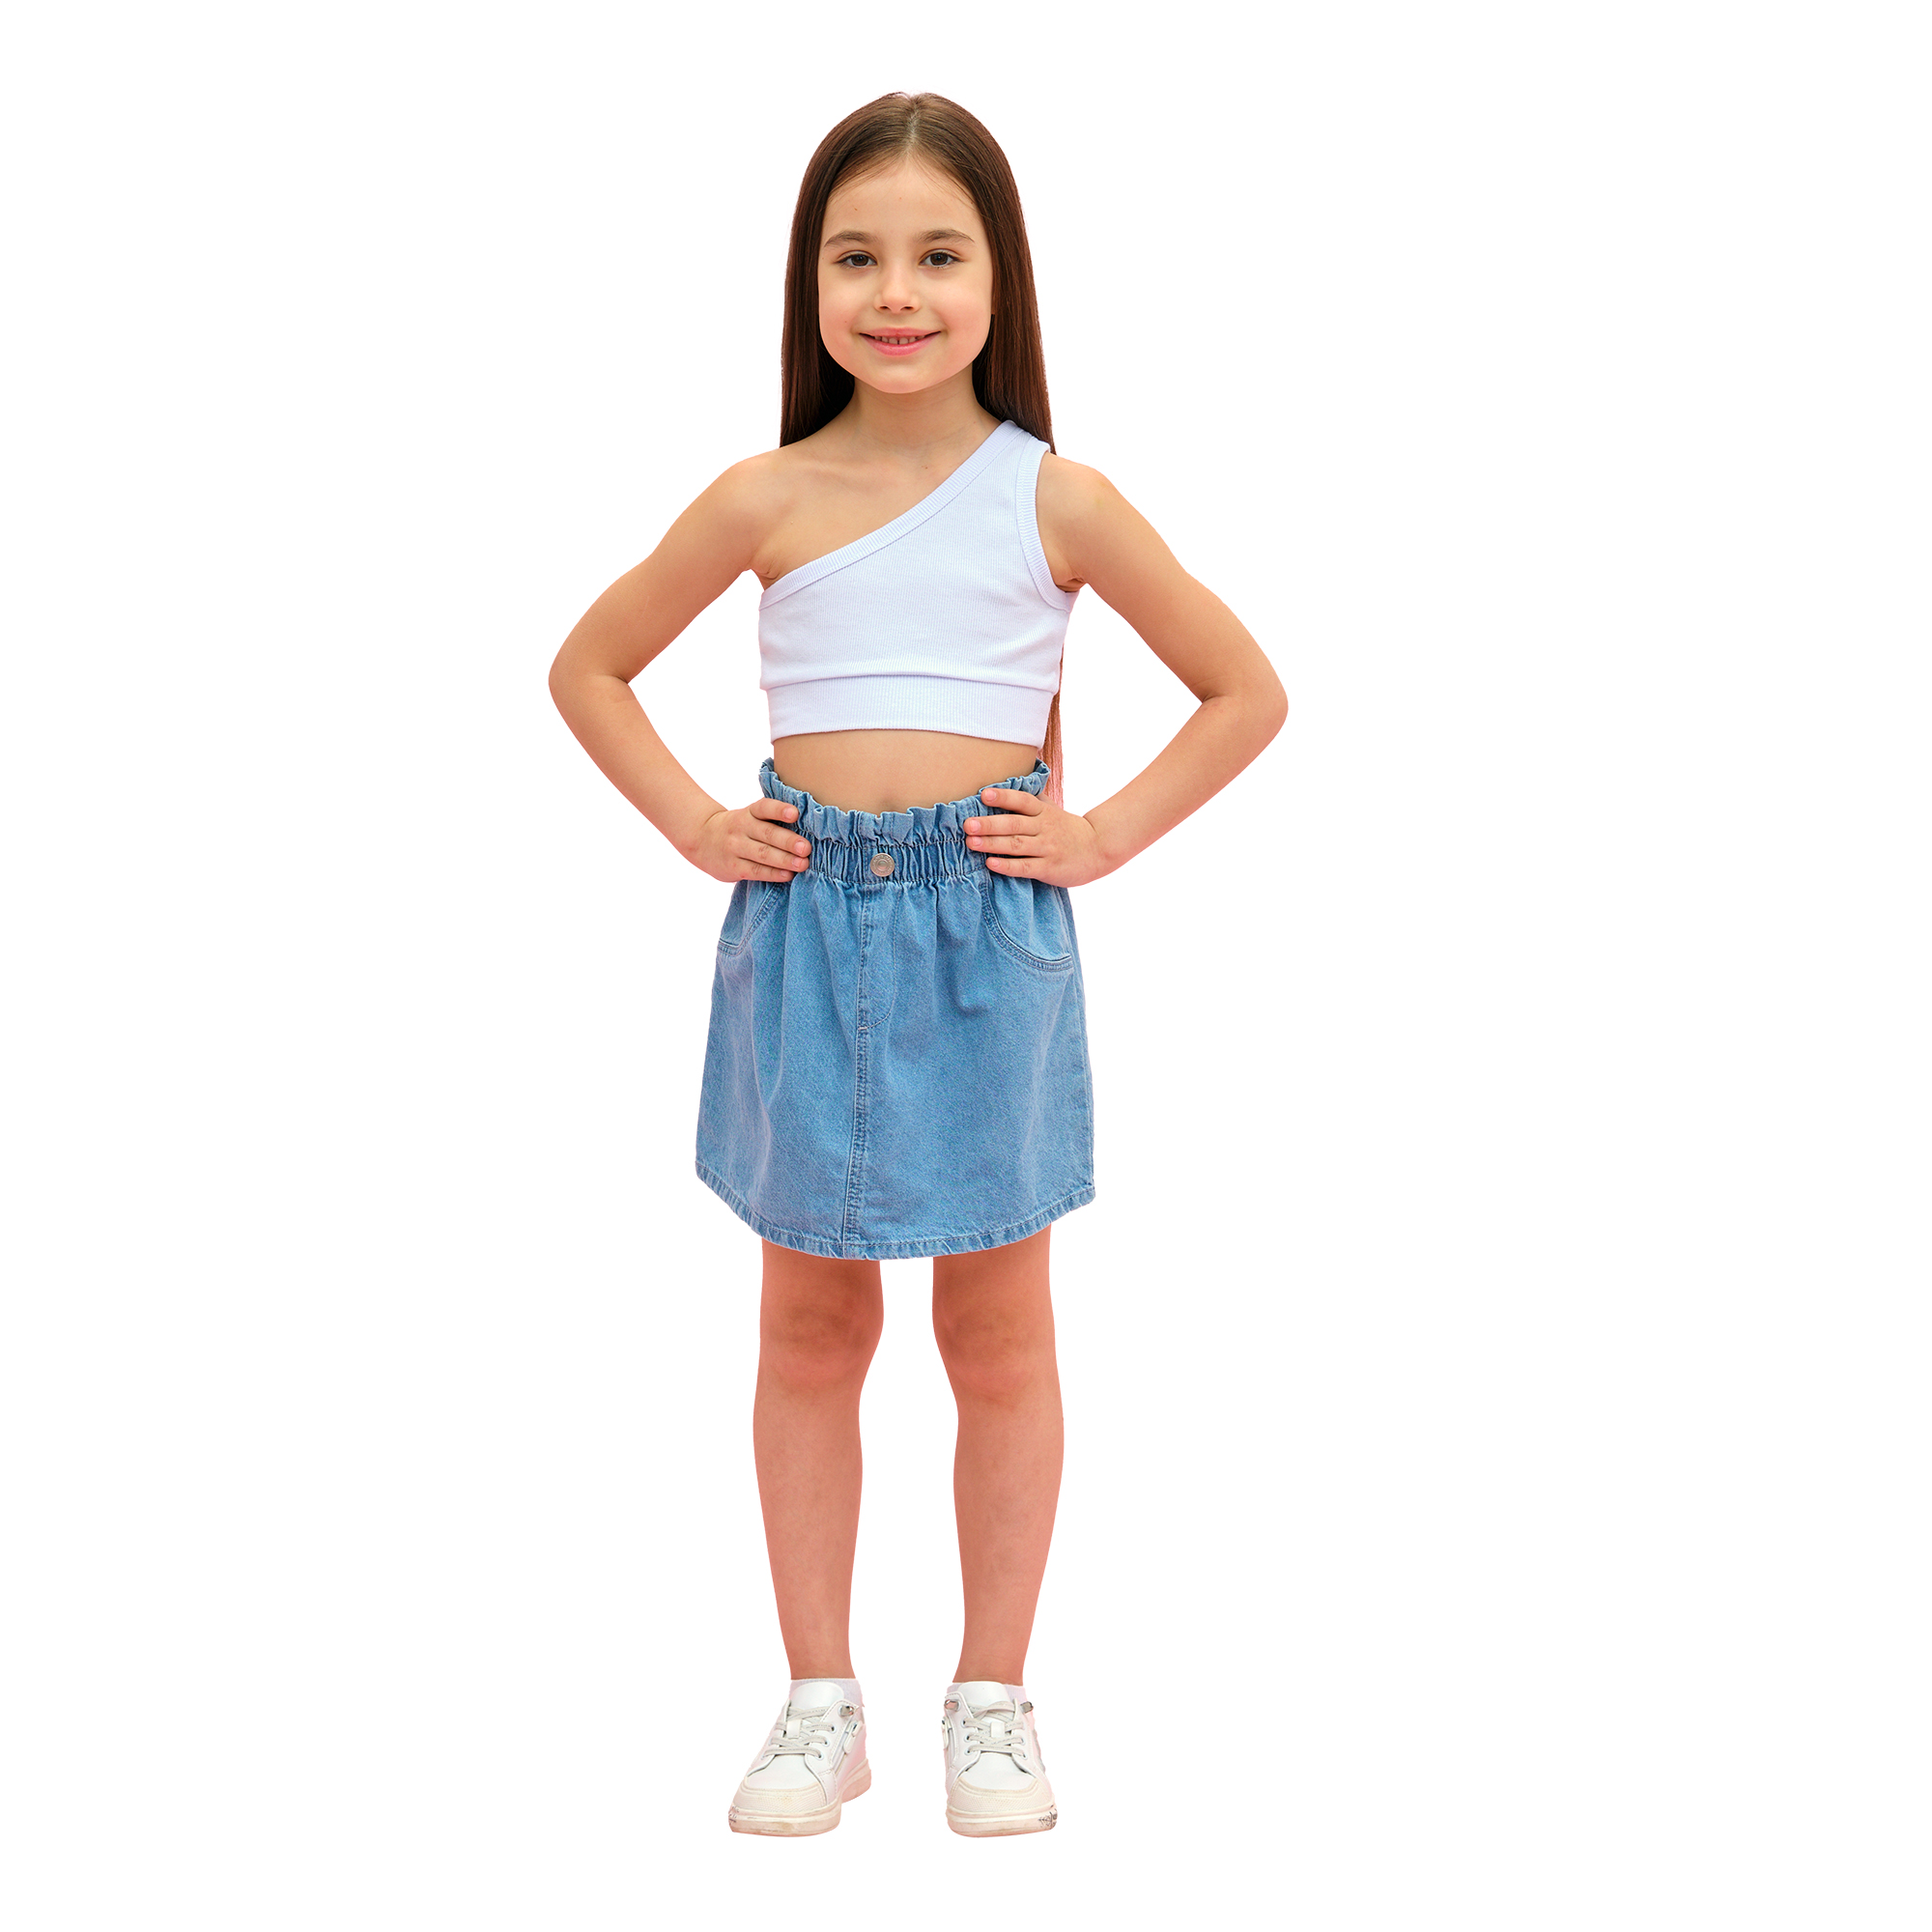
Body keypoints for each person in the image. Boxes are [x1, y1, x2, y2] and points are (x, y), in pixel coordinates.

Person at [548, 92, 1286, 1838]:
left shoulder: (1060, 499)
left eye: (938, 254)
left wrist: (1098, 835)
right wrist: (694, 823)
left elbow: (1245, 689)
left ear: (998, 276)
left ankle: (993, 1696)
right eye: (856, 256)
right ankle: (822, 1699)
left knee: (998, 1330)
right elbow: (588, 665)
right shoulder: (765, 494)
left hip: (982, 938)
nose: (896, 292)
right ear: (808, 282)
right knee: (810, 1323)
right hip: (807, 928)